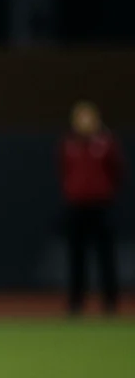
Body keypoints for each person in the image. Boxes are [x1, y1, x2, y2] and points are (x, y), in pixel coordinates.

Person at [59, 100, 125, 315]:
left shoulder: (106, 142)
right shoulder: (69, 143)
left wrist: (106, 192)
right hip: (77, 206)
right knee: (77, 257)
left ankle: (110, 303)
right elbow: (63, 171)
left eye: (88, 117)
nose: (84, 122)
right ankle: (76, 303)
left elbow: (117, 171)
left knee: (105, 256)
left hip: (101, 206)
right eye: (80, 117)